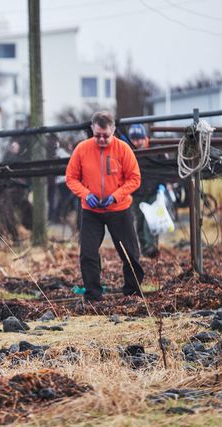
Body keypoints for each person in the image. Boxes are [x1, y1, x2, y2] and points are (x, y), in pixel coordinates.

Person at [65, 111, 145, 302]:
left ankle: (132, 293)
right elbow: (71, 178)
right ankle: (93, 296)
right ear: (92, 129)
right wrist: (85, 194)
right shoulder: (82, 149)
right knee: (88, 253)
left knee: (131, 254)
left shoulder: (123, 149)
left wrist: (116, 196)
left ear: (113, 130)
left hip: (119, 210)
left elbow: (135, 178)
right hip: (91, 211)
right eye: (97, 135)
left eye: (105, 136)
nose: (101, 139)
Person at [127, 123, 161, 257]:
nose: (137, 142)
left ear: (144, 137)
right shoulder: (129, 152)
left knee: (152, 221)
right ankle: (145, 248)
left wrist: (163, 186)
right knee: (140, 221)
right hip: (137, 193)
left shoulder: (155, 150)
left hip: (153, 190)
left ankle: (153, 247)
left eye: (139, 139)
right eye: (134, 139)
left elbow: (164, 167)